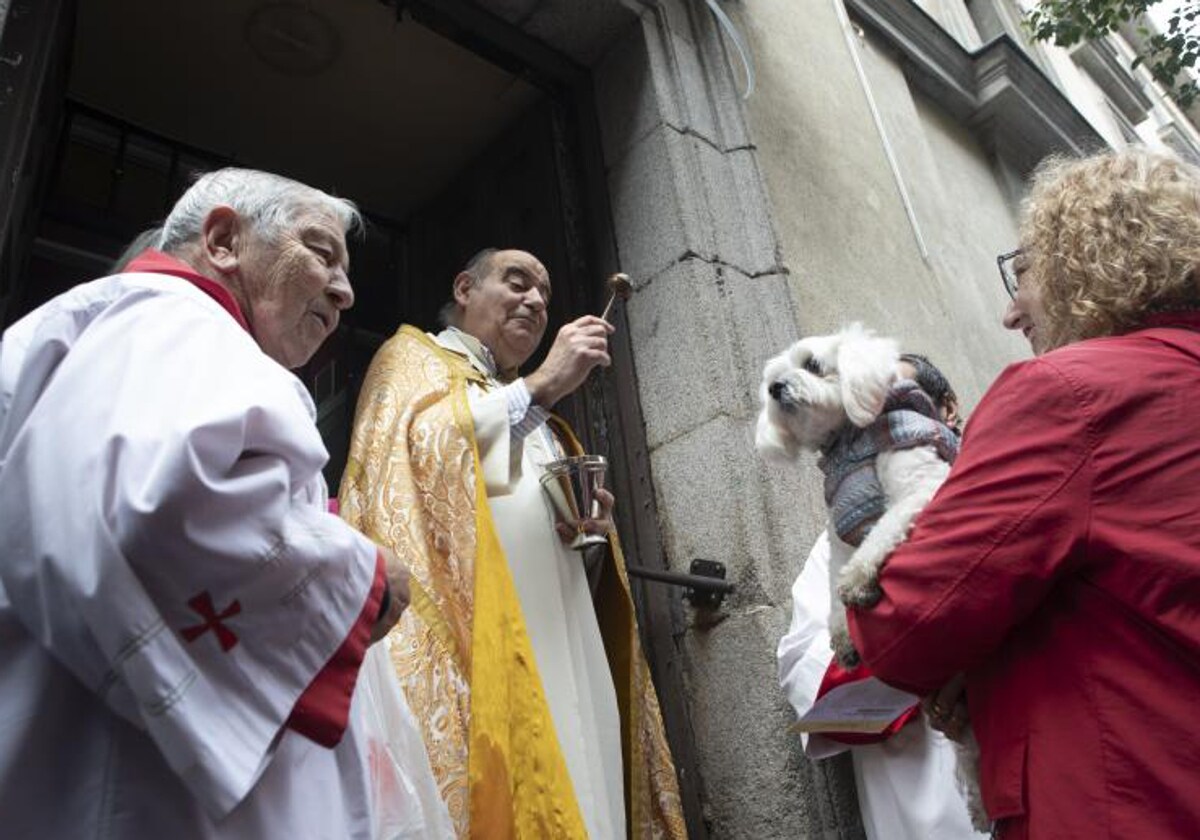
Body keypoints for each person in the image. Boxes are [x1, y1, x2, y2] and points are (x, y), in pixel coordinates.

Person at [0, 168, 414, 838]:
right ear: (223, 240)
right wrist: (360, 577)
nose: (345, 290)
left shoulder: (130, 324)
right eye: (322, 253)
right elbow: (146, 507)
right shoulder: (173, 321)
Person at [848, 147, 1200, 838]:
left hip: (1123, 802)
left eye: (1024, 271)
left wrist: (960, 671)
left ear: (1088, 259)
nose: (1011, 313)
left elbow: (903, 625)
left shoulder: (1071, 395)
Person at [339, 248, 686, 839]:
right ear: (465, 287)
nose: (535, 301)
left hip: (561, 638)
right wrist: (543, 385)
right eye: (518, 282)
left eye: (545, 295)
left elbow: (546, 534)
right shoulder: (413, 358)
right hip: (476, 637)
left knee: (582, 777)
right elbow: (418, 455)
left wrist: (592, 539)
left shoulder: (542, 422)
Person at [777, 354, 984, 840]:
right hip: (923, 806)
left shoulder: (1003, 493)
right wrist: (913, 663)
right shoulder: (836, 546)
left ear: (946, 410)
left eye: (901, 401)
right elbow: (803, 669)